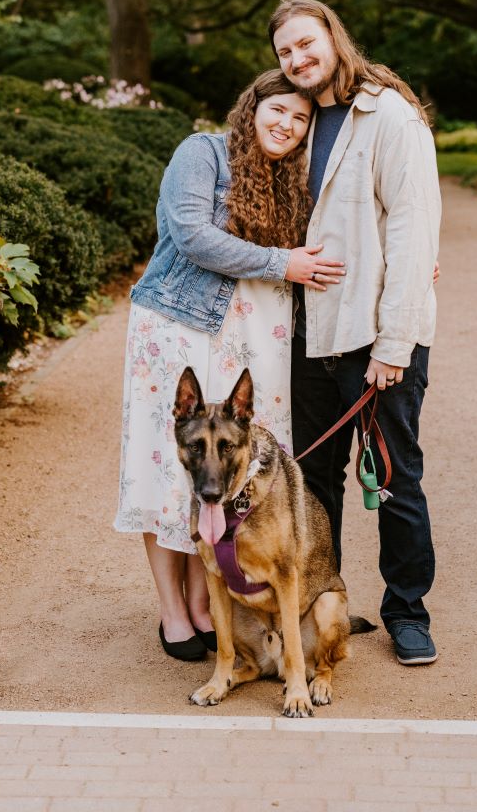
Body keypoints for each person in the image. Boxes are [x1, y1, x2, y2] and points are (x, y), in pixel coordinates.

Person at [114, 70, 345, 661]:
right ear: (253, 106)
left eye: (300, 119)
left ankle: (205, 603)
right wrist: (279, 261)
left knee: (233, 471)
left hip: (255, 338)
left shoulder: (292, 181)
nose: (287, 125)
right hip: (179, 328)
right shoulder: (204, 153)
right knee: (171, 472)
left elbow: (337, 242)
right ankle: (173, 613)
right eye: (278, 110)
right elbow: (192, 235)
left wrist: (411, 267)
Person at [269, 0, 442, 667]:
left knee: (395, 481)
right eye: (284, 52)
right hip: (310, 334)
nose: (297, 59)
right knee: (313, 484)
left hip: (377, 338)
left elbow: (412, 230)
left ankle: (408, 611)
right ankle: (323, 604)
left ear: (334, 39)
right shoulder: (299, 119)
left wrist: (394, 346)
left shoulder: (389, 116)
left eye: (306, 44)